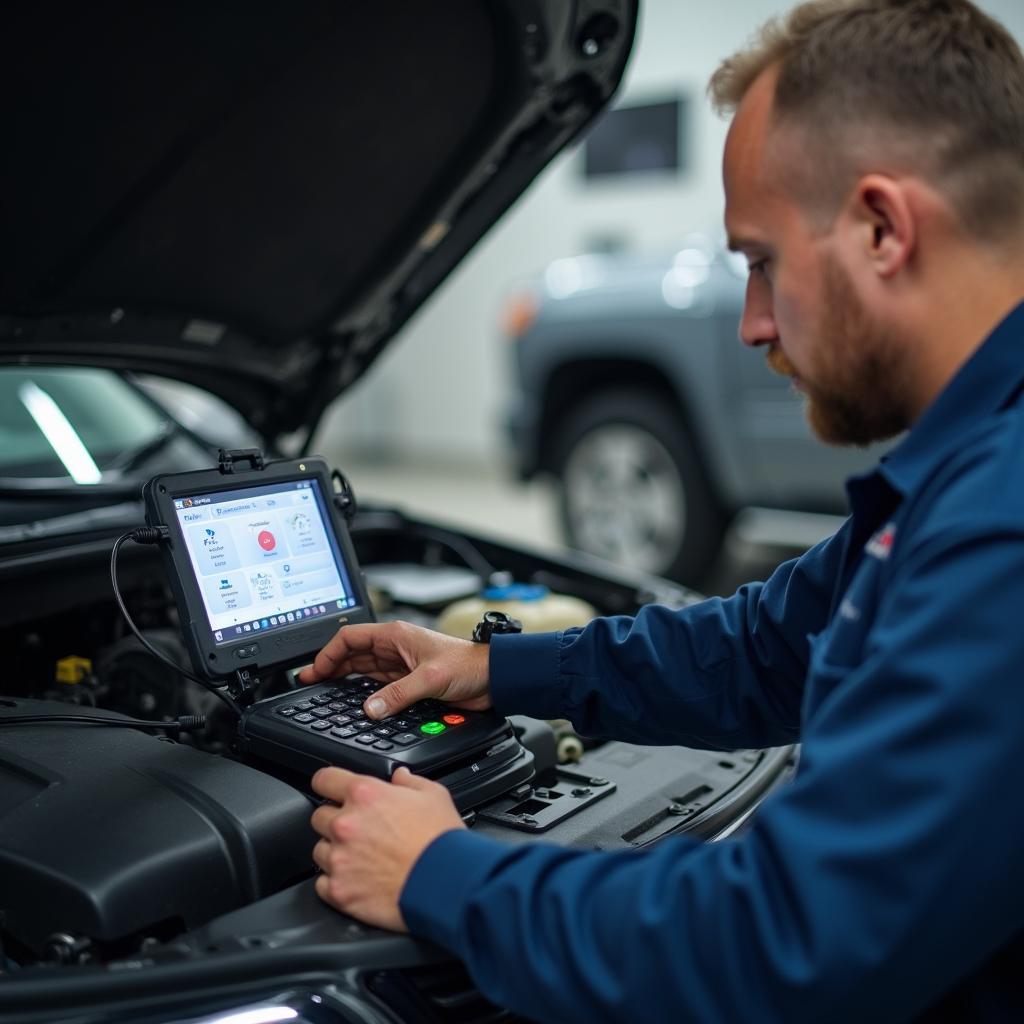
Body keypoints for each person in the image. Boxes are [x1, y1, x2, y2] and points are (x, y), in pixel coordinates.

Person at [300, 1, 1024, 1020]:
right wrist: (495, 668)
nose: (751, 322)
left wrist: (440, 872)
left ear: (880, 226)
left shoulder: (1001, 521)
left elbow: (788, 941)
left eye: (759, 260)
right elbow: (763, 647)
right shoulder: (965, 462)